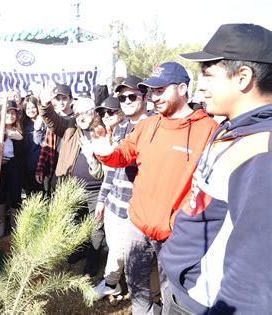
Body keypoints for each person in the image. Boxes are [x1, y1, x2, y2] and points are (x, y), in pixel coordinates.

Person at [160, 23, 272, 314]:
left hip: (206, 303)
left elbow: (255, 270)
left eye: (208, 75)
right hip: (187, 291)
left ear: (243, 77)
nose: (201, 87)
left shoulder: (262, 150)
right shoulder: (231, 128)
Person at [90, 62, 218, 314]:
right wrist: (106, 153)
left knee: (172, 294)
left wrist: (180, 223)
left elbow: (210, 189)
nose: (154, 96)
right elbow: (124, 153)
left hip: (175, 235)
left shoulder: (208, 130)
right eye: (152, 91)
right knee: (137, 287)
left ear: (182, 88)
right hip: (136, 225)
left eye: (161, 90)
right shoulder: (148, 125)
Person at [92, 77, 155, 301]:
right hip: (114, 205)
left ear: (145, 98)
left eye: (132, 96)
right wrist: (102, 198)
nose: (126, 101)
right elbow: (111, 171)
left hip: (135, 209)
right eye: (122, 97)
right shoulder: (121, 129)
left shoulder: (154, 128)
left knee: (132, 256)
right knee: (115, 249)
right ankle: (113, 284)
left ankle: (129, 290)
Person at [39, 89, 104, 277]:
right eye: (78, 113)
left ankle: (92, 263)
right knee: (76, 221)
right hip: (72, 186)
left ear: (93, 112)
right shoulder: (69, 128)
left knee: (96, 226)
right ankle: (80, 250)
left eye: (86, 112)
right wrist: (45, 105)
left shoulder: (102, 131)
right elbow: (50, 119)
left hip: (96, 189)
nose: (82, 116)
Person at [0, 100, 24, 237]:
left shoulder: (18, 131)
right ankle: (0, 223)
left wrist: (19, 138)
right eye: (8, 112)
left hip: (13, 166)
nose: (10, 115)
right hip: (0, 166)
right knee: (0, 193)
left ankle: (14, 223)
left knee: (15, 193)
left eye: (13, 113)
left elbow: (22, 151)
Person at [34, 84, 74, 193]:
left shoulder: (77, 119)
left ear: (71, 99)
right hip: (52, 165)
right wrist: (40, 169)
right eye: (58, 98)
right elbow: (45, 146)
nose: (61, 102)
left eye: (64, 98)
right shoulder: (52, 120)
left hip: (70, 167)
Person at [20, 95, 46, 196]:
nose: (31, 110)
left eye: (33, 107)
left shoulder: (45, 121)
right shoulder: (23, 125)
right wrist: (37, 130)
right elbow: (32, 145)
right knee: (33, 194)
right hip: (30, 165)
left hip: (45, 164)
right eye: (28, 108)